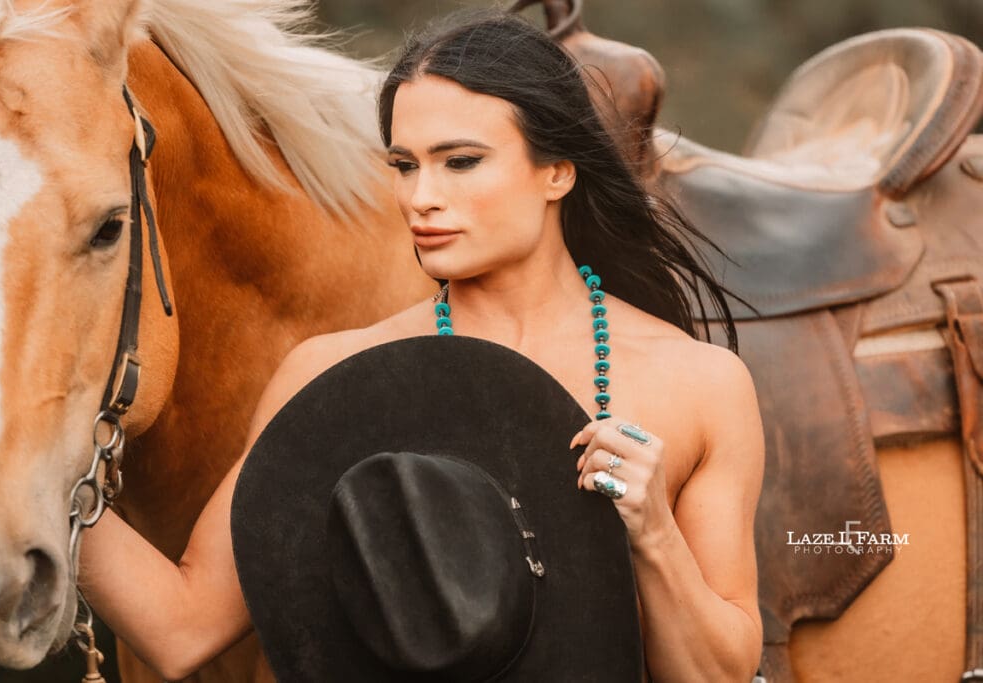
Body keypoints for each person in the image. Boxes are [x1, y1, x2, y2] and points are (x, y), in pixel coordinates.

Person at [79, 9, 764, 681]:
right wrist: (11, 461)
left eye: (460, 162)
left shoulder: (699, 382)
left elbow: (721, 674)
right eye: (404, 165)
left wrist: (653, 534)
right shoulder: (332, 377)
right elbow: (181, 627)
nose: (420, 197)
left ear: (557, 170)